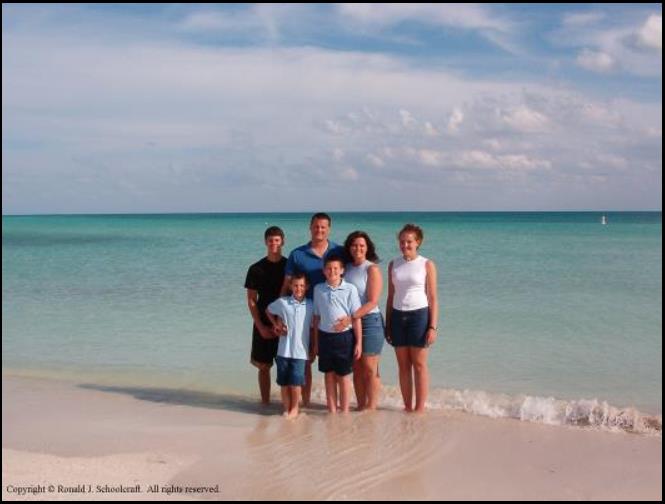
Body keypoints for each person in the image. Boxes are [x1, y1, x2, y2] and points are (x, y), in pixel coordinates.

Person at [280, 212, 345, 406]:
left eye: (323, 227)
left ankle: (340, 407)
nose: (319, 230)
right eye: (316, 226)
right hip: (303, 317)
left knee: (337, 367)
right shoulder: (297, 254)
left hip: (332, 320)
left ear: (329, 229)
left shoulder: (339, 252)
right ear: (310, 227)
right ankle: (305, 404)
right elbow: (285, 288)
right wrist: (281, 318)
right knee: (305, 362)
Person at [385, 224, 439, 413]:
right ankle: (407, 406)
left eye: (409, 241)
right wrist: (388, 324)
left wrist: (432, 326)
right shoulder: (393, 264)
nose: (405, 245)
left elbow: (433, 297)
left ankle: (420, 408)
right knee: (403, 365)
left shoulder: (427, 264)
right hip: (398, 316)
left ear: (418, 242)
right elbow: (390, 296)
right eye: (402, 241)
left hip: (419, 315)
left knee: (419, 364)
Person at [333, 231, 384, 411]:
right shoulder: (345, 268)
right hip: (351, 323)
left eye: (362, 245)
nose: (358, 248)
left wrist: (351, 317)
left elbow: (372, 301)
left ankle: (371, 407)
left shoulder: (372, 269)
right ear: (349, 247)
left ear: (367, 247)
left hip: (370, 321)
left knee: (370, 368)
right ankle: (361, 406)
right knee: (356, 366)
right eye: (354, 245)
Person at [311, 255, 362, 413]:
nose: (332, 271)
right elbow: (317, 317)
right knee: (329, 374)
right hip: (325, 337)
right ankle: (332, 409)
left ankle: (345, 410)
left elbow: (356, 317)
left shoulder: (350, 289)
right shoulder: (318, 289)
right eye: (328, 268)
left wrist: (359, 342)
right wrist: (316, 343)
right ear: (324, 271)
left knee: (344, 375)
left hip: (344, 338)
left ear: (342, 271)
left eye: (335, 268)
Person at [244, 226, 287, 405]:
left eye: (277, 240)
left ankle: (288, 405)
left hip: (284, 321)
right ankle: (265, 404)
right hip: (262, 321)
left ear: (282, 242)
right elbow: (252, 300)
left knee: (286, 365)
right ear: (265, 242)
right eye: (270, 240)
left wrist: (282, 322)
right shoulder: (256, 268)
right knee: (263, 367)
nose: (274, 244)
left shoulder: (288, 266)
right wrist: (260, 326)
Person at [265, 273, 313, 419]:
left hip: (301, 351)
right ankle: (286, 407)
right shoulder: (283, 302)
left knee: (296, 382)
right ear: (291, 286)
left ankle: (295, 408)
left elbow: (315, 325)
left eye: (302, 286)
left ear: (307, 287)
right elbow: (268, 310)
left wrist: (315, 347)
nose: (299, 288)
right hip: (283, 350)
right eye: (296, 285)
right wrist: (276, 325)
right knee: (284, 382)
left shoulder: (311, 305)